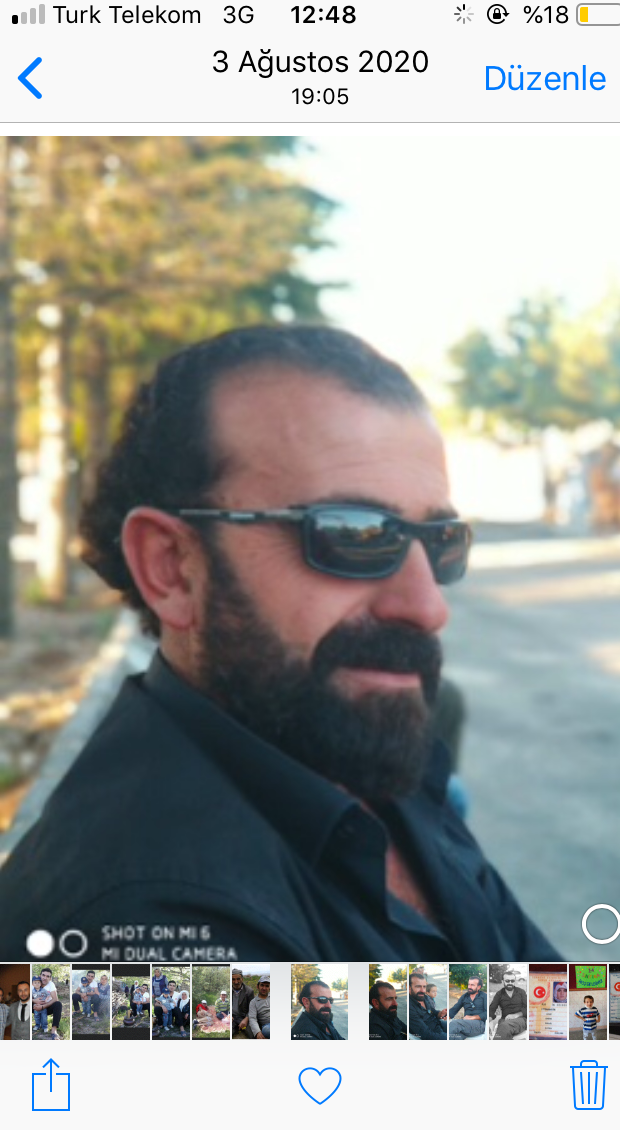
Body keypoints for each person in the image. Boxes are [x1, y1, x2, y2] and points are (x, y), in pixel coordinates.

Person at [0, 325, 561, 961]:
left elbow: (558, 1007)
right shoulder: (135, 941)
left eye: (442, 543)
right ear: (172, 569)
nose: (428, 607)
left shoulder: (360, 764)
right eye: (353, 534)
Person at [489, 969, 527, 1040]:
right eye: (507, 981)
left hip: (520, 1020)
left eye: (512, 981)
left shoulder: (521, 992)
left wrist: (516, 1015)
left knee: (504, 1027)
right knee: (502, 1029)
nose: (510, 983)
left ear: (515, 981)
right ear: (503, 981)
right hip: (504, 1020)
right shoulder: (499, 994)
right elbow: (491, 1009)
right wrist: (488, 1019)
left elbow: (528, 1008)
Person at [408, 971, 446, 1040]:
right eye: (418, 986)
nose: (422, 990)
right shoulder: (410, 1007)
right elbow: (426, 1034)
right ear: (409, 988)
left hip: (438, 1024)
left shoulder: (424, 997)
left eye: (424, 987)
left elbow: (432, 1011)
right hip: (433, 1033)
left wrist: (440, 1013)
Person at [448, 974, 487, 1040]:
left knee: (454, 1024)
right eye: (469, 984)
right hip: (465, 1026)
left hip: (479, 1025)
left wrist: (472, 1017)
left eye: (472, 985)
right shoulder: (464, 997)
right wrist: (444, 1016)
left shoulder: (484, 996)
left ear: (479, 987)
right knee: (455, 1037)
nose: (469, 987)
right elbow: (454, 1010)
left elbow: (487, 1013)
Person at [36, 969, 63, 1039]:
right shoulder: (35, 982)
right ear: (40, 975)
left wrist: (43, 1007)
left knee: (58, 1004)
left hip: (47, 1007)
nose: (45, 978)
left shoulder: (51, 984)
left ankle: (54, 1031)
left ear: (50, 978)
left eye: (48, 976)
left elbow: (55, 999)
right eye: (43, 975)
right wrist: (34, 1001)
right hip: (36, 1007)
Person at [232, 968, 254, 1036]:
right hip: (232, 1018)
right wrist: (229, 1015)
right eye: (233, 979)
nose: (236, 982)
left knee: (252, 1034)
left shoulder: (249, 991)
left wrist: (247, 1018)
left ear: (242, 979)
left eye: (238, 979)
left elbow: (252, 1008)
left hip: (243, 1017)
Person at [248, 974, 270, 1039]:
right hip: (266, 1026)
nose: (264, 988)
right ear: (257, 986)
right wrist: (257, 1032)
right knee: (267, 1030)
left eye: (267, 986)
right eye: (262, 985)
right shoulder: (253, 1002)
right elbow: (252, 1018)